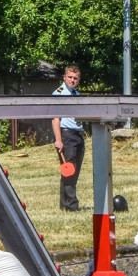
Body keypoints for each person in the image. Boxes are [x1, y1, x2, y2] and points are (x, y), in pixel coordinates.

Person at [51, 65, 85, 212]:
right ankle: (72, 205)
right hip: (67, 135)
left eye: (75, 78)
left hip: (78, 134)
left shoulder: (76, 94)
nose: (72, 80)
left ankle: (65, 204)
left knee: (73, 171)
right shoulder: (59, 93)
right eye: (70, 77)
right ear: (64, 77)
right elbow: (55, 118)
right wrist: (58, 140)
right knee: (69, 170)